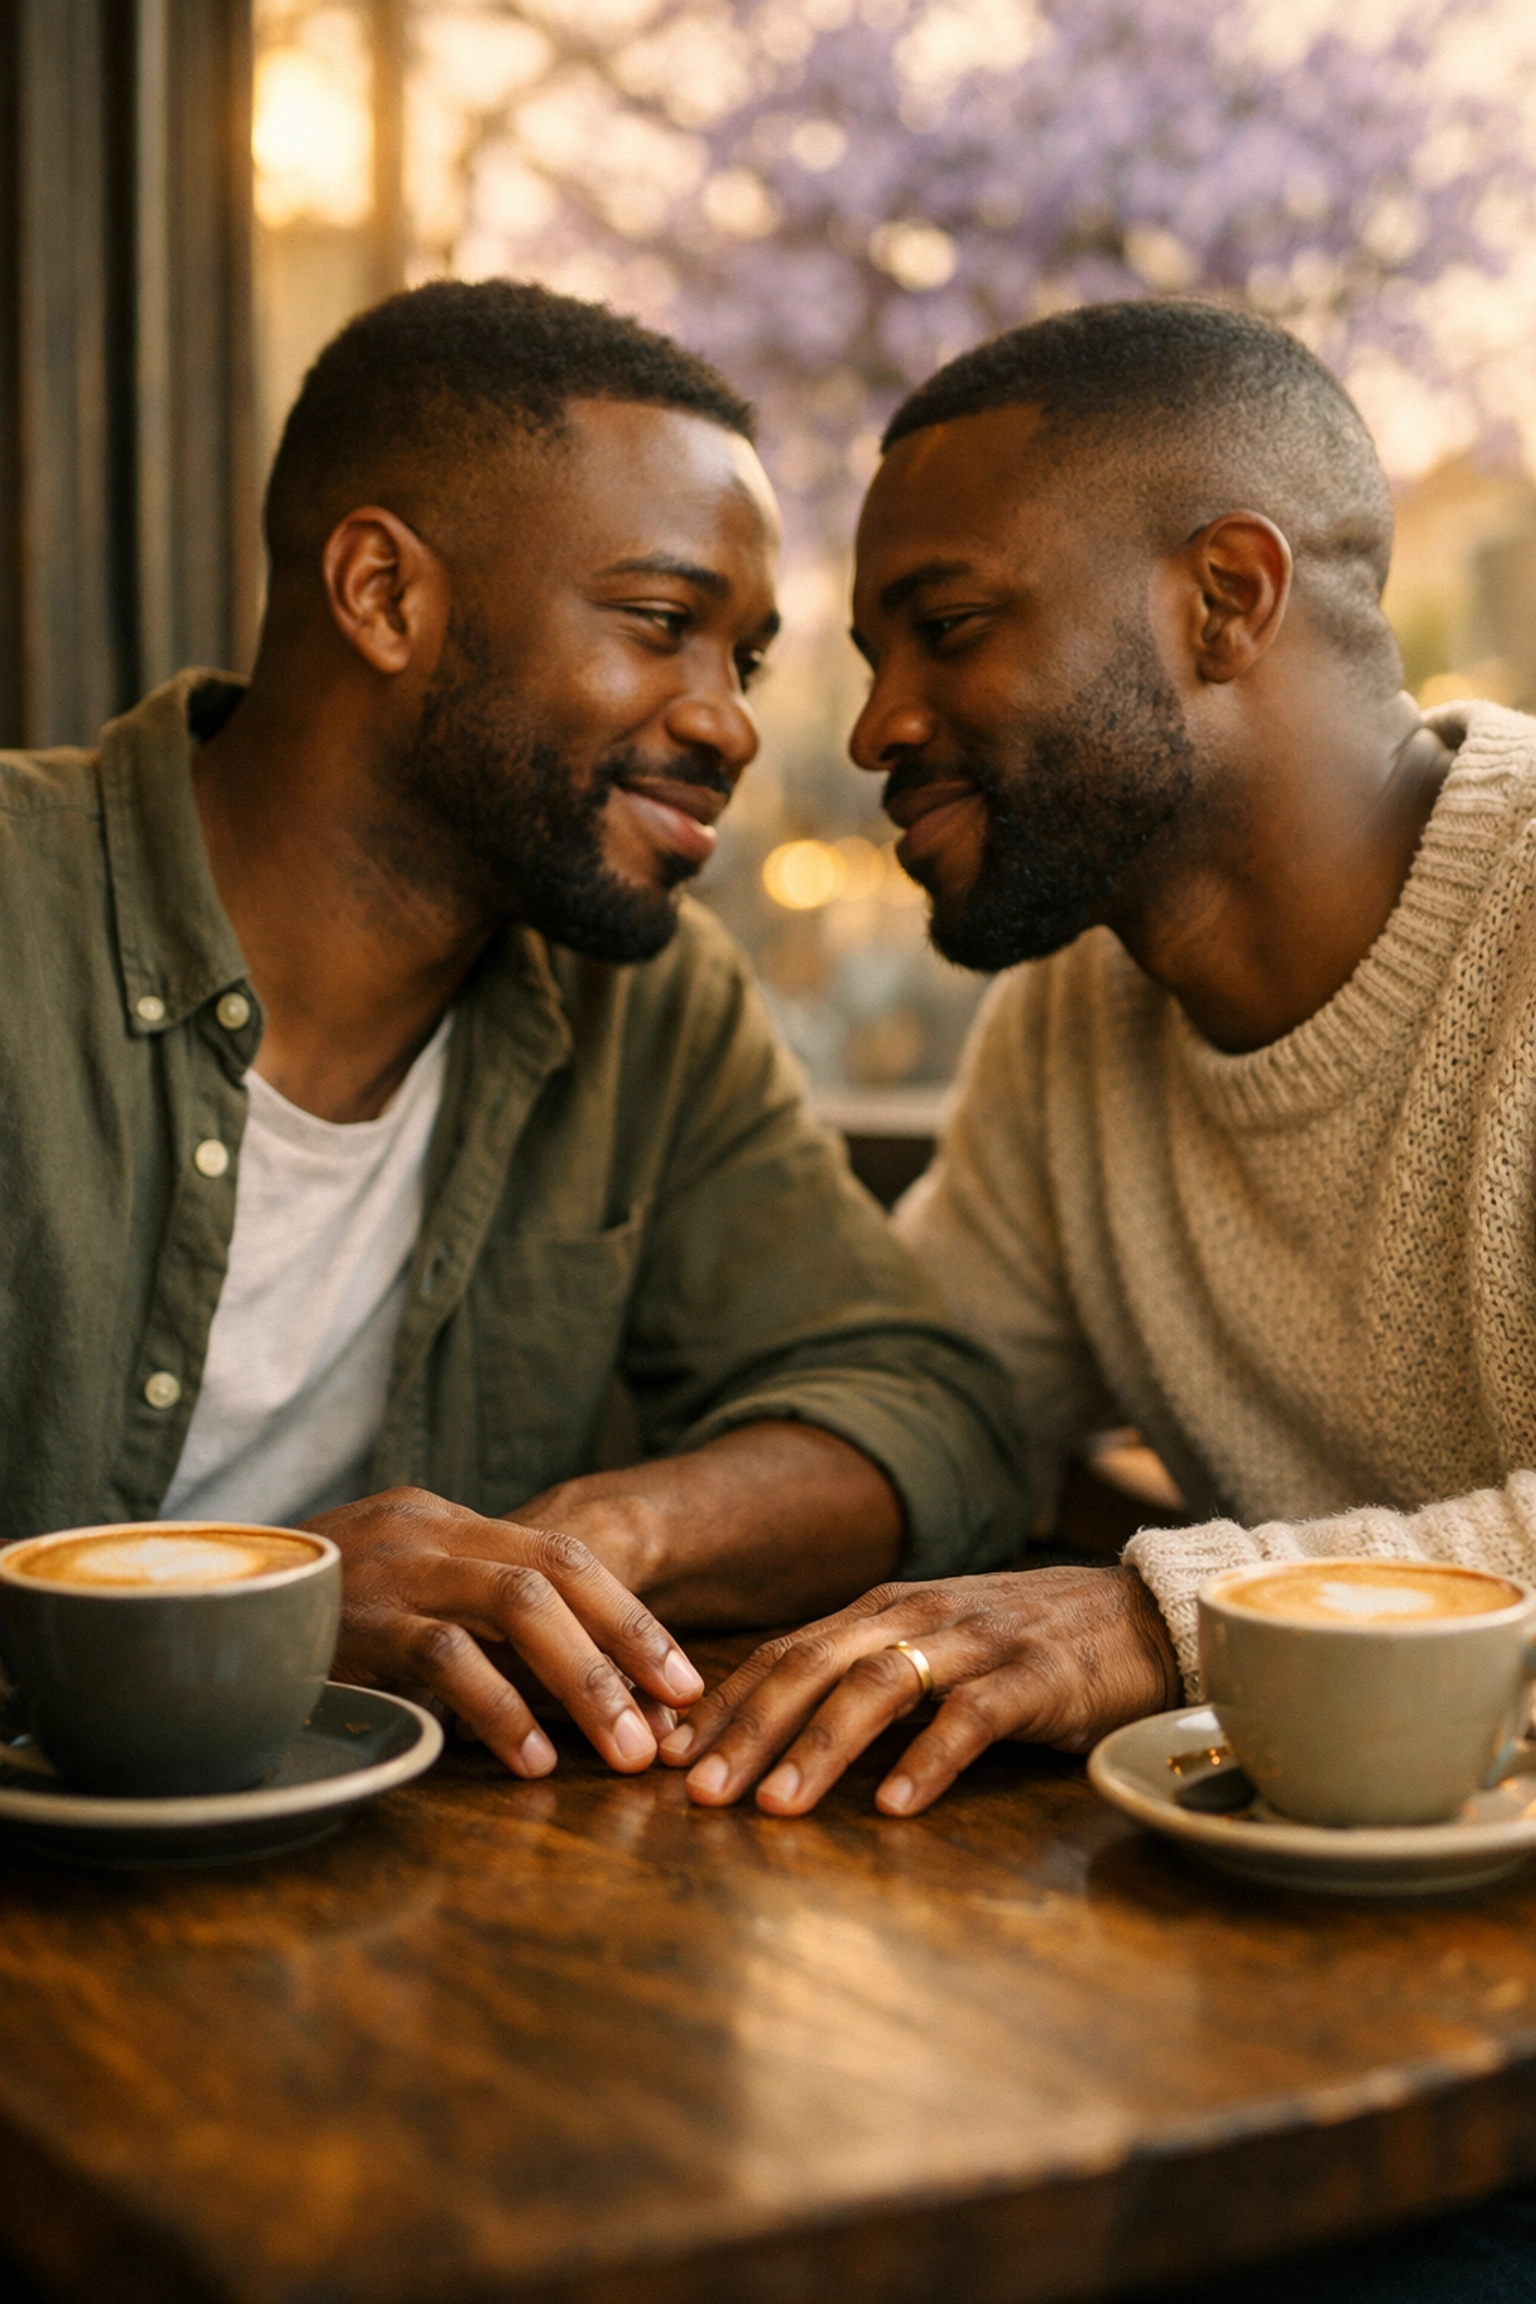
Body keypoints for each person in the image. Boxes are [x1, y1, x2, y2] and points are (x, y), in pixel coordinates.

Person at [0, 280, 1025, 1783]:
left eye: (740, 662)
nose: (731, 723)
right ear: (382, 593)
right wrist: (266, 1605)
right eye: (663, 624)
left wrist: (598, 1538)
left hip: (402, 1915)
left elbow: (927, 1418)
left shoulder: (650, 1007)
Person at [665, 296, 1536, 1821]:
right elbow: (943, 1403)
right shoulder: (1069, 1023)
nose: (875, 729)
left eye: (948, 628)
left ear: (1225, 599)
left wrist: (1165, 1614)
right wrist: (605, 1542)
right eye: (874, 658)